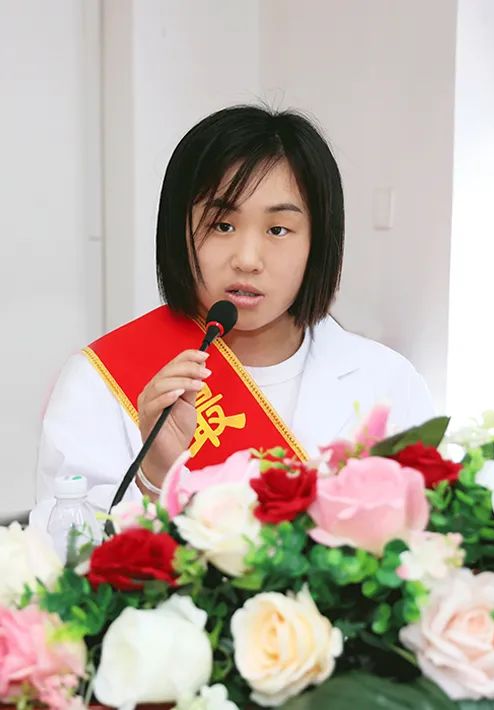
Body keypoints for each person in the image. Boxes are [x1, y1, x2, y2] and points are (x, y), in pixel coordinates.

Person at [30, 106, 433, 529]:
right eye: (222, 225)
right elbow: (67, 554)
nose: (247, 259)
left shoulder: (387, 382)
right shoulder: (99, 380)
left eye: (278, 230)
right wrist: (156, 479)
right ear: (178, 231)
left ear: (318, 242)